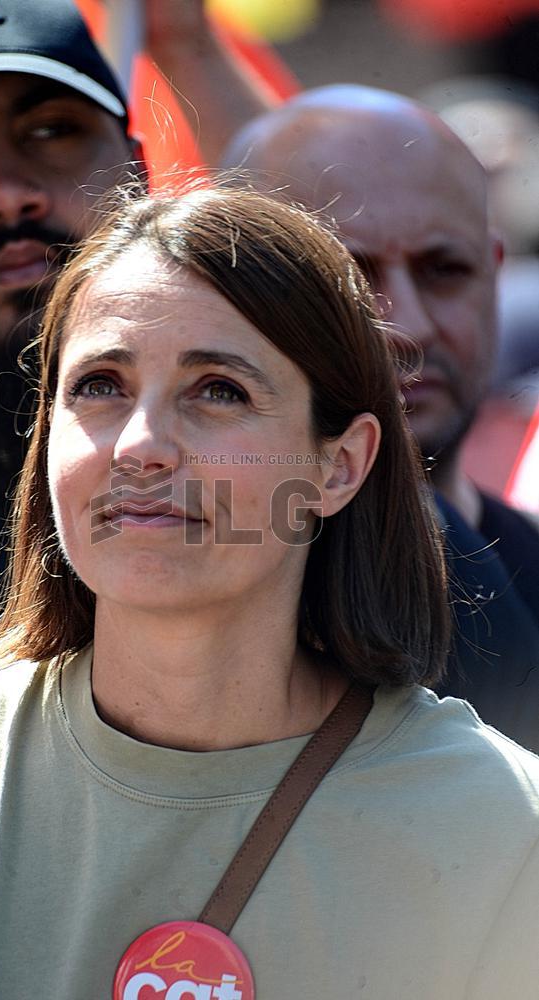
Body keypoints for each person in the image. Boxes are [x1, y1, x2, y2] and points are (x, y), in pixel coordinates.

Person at [0, 186, 539, 997]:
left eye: (218, 389)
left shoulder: (500, 826)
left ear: (338, 465)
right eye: (99, 386)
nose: (142, 445)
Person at [0, 0, 269, 714]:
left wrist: (192, 51)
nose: (7, 195)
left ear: (141, 174)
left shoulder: (293, 485)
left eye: (52, 131)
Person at [222, 85, 539, 749]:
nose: (409, 325)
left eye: (444, 270)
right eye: (351, 276)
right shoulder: (173, 597)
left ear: (493, 271)